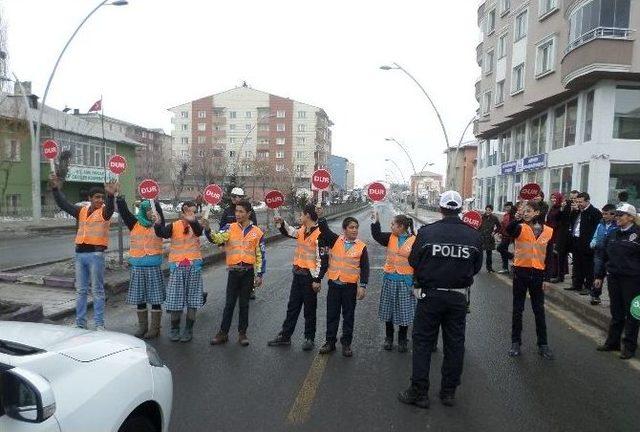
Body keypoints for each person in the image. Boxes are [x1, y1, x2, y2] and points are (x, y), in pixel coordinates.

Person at [398, 190, 482, 409]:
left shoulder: (427, 233)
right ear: (460, 209)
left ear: (441, 208)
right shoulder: (473, 235)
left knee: (423, 343)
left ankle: (419, 393)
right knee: (455, 345)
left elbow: (414, 260)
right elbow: (476, 268)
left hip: (430, 296)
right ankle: (448, 392)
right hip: (458, 297)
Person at [49, 173, 116, 330]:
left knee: (97, 291)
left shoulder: (105, 212)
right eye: (97, 197)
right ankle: (81, 323)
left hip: (96, 255)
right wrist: (54, 189)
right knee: (81, 291)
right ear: (90, 198)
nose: (100, 200)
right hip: (80, 255)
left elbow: (111, 207)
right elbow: (63, 204)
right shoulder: (81, 211)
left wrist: (111, 195)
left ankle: (99, 324)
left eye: (102, 197)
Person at [267, 205, 329, 351]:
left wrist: (317, 279)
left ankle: (309, 338)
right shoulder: (302, 230)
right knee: (292, 307)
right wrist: (281, 223)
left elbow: (323, 260)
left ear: (307, 215)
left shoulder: (320, 234)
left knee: (309, 309)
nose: (299, 217)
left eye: (301, 214)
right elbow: (289, 231)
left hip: (310, 277)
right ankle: (285, 336)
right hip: (298, 274)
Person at [206, 200, 265, 347]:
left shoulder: (257, 232)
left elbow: (260, 255)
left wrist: (259, 274)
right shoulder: (229, 228)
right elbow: (216, 238)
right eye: (236, 211)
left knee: (244, 304)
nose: (237, 214)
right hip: (233, 272)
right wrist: (207, 230)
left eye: (241, 212)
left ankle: (242, 334)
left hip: (248, 273)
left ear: (248, 214)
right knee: (229, 304)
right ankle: (223, 333)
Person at [505, 201, 554, 360]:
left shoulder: (548, 231)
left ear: (537, 212)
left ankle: (543, 344)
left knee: (539, 310)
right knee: (518, 309)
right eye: (524, 211)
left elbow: (550, 257)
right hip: (521, 273)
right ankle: (515, 343)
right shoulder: (520, 227)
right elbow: (509, 230)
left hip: (538, 274)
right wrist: (516, 218)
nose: (525, 213)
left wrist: (547, 278)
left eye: (529, 211)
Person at [316, 212, 370, 357]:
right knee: (332, 315)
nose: (354, 230)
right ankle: (330, 342)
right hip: (334, 285)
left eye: (356, 228)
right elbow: (324, 230)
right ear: (344, 229)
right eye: (351, 227)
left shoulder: (361, 247)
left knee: (348, 316)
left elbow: (365, 267)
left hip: (349, 287)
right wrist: (321, 215)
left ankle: (346, 344)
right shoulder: (335, 240)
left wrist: (363, 286)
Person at [116, 193, 166, 339]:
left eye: (154, 210)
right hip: (137, 267)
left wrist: (158, 217)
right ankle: (143, 327)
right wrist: (119, 198)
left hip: (153, 267)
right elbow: (124, 212)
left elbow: (162, 227)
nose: (151, 212)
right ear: (143, 211)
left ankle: (155, 328)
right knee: (140, 299)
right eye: (148, 210)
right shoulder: (134, 223)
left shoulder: (159, 225)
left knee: (155, 299)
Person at [594, 203, 640, 360]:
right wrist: (599, 276)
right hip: (614, 278)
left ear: (631, 217)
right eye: (616, 214)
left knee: (632, 314)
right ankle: (613, 342)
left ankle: (629, 347)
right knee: (616, 312)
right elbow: (604, 256)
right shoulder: (613, 234)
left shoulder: (638, 235)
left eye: (621, 215)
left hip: (633, 280)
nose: (617, 217)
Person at [154, 201, 204, 342]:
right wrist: (158, 223)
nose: (191, 214)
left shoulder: (196, 225)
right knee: (175, 299)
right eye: (188, 212)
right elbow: (162, 233)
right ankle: (174, 329)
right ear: (182, 213)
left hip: (194, 266)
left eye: (194, 212)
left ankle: (188, 330)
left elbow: (199, 231)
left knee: (192, 300)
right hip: (177, 267)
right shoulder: (174, 226)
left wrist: (193, 221)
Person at [371, 211, 416, 353]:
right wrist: (375, 222)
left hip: (406, 282)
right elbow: (377, 236)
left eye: (393, 224)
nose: (391, 226)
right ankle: (389, 338)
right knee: (388, 310)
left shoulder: (415, 240)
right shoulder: (390, 238)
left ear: (401, 226)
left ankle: (402, 339)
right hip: (390, 279)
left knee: (404, 312)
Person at [219, 187, 259, 300]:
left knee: (249, 268)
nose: (235, 199)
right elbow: (221, 228)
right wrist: (221, 244)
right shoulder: (227, 211)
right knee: (234, 267)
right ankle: (235, 289)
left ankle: (250, 289)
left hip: (247, 245)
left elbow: (254, 227)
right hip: (233, 245)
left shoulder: (248, 211)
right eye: (233, 196)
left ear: (241, 197)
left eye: (237, 196)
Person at [568, 192, 602, 295]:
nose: (579, 204)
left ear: (587, 201)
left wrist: (593, 242)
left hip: (587, 243)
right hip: (576, 240)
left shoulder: (594, 212)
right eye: (577, 202)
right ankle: (577, 284)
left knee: (587, 266)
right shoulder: (578, 211)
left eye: (581, 202)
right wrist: (573, 212)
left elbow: (597, 229)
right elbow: (572, 223)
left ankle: (588, 286)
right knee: (577, 264)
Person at [589, 204, 617, 305]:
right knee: (597, 274)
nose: (604, 216)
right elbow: (595, 236)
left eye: (606, 214)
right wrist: (593, 242)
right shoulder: (600, 224)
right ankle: (595, 295)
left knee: (611, 278)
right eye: (603, 214)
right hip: (599, 253)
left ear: (613, 214)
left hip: (611, 256)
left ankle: (614, 299)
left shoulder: (617, 226)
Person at [550, 191, 578, 283]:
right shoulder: (566, 205)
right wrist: (561, 209)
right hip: (563, 234)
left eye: (575, 198)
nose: (573, 200)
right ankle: (560, 276)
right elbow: (558, 218)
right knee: (561, 255)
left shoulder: (580, 207)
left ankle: (576, 280)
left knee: (576, 258)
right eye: (571, 198)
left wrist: (577, 210)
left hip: (574, 235)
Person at [545, 192, 564, 282]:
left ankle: (556, 273)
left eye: (555, 198)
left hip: (557, 233)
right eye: (552, 198)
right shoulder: (552, 208)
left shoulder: (560, 209)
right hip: (550, 233)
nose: (553, 200)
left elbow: (560, 222)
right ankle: (551, 271)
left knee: (555, 254)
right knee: (550, 253)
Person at [479, 205, 501, 273]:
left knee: (489, 254)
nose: (488, 211)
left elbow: (499, 226)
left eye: (489, 210)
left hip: (489, 237)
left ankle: (489, 268)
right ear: (485, 210)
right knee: (479, 253)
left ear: (492, 210)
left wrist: (494, 232)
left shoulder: (494, 218)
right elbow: (477, 224)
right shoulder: (481, 217)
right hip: (481, 236)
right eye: (487, 209)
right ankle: (477, 267)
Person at [496, 202, 515, 274]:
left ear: (511, 207)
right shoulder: (505, 215)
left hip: (509, 236)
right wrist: (500, 233)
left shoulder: (513, 215)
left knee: (499, 248)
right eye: (505, 207)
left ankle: (512, 256)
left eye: (508, 207)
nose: (506, 208)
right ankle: (505, 268)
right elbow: (502, 225)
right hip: (504, 235)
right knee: (503, 251)